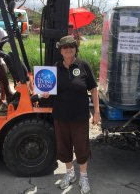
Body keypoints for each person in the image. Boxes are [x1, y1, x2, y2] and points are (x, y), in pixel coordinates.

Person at [44, 35, 100, 194]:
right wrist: (46, 93)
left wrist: (96, 112)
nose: (68, 49)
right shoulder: (54, 69)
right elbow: (48, 90)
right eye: (64, 47)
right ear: (60, 51)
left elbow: (94, 89)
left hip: (80, 116)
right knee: (64, 146)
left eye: (71, 46)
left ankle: (83, 176)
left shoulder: (83, 66)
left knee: (82, 147)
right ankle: (70, 174)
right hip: (61, 116)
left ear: (75, 48)